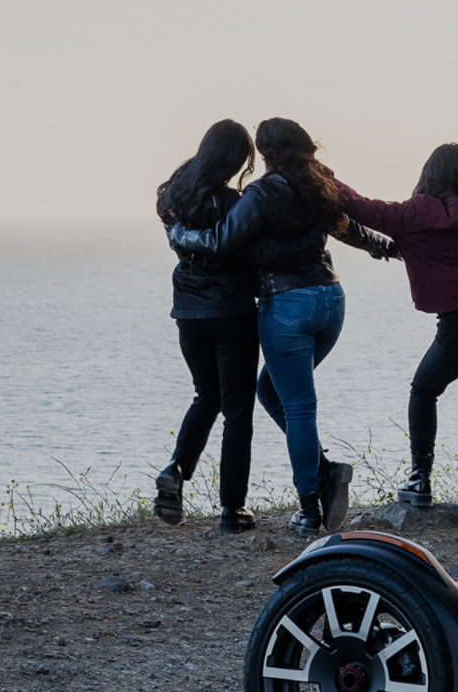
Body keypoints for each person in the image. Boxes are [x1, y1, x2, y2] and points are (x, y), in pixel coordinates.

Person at [332, 48, 458, 543]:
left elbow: (354, 204)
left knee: (425, 389)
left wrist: (311, 169)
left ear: (429, 175)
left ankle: (420, 480)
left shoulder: (410, 216)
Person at [167, 118, 398, 537]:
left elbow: (220, 241)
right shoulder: (317, 186)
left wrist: (180, 233)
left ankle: (310, 508)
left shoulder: (260, 194)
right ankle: (326, 470)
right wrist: (381, 246)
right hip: (330, 300)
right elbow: (348, 229)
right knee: (270, 391)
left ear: (266, 154)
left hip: (287, 305)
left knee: (298, 406)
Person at [153, 119, 261, 534]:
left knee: (206, 396)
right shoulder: (235, 204)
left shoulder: (176, 197)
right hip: (232, 313)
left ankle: (176, 469)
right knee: (237, 413)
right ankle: (233, 511)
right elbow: (248, 253)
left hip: (188, 313)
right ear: (235, 160)